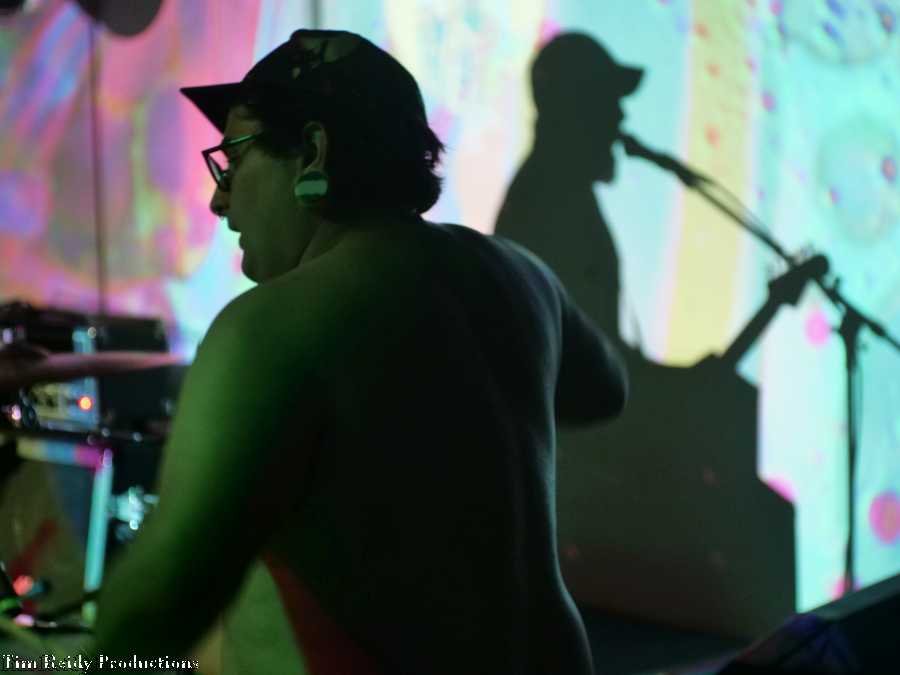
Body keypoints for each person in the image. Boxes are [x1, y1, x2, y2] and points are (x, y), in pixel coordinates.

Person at [91, 29, 627, 675]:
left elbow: (155, 609)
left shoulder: (275, 325)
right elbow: (605, 391)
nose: (219, 196)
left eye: (234, 158)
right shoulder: (523, 278)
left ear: (313, 153)